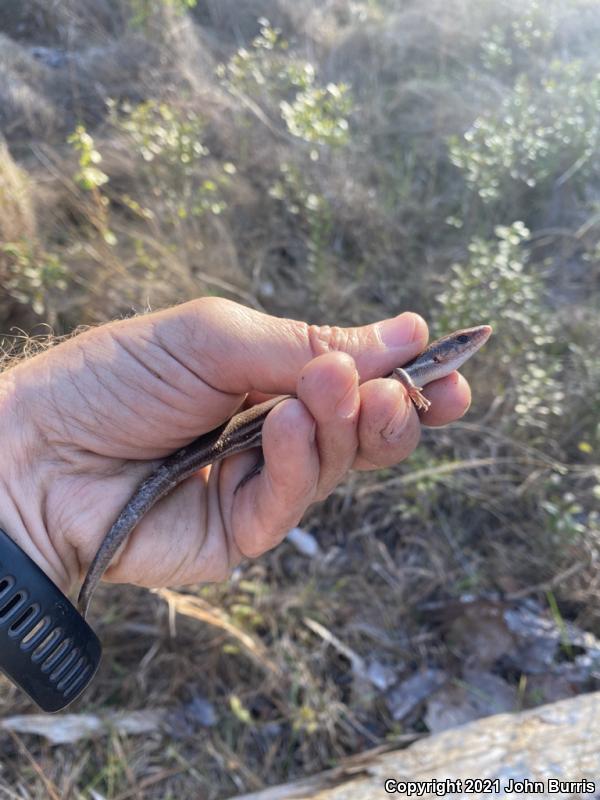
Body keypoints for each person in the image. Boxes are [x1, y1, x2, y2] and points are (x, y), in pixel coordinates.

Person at [0, 298, 472, 600]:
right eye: (465, 341)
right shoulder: (412, 374)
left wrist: (31, 494)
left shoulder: (416, 377)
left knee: (299, 432)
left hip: (245, 433)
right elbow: (402, 379)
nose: (473, 342)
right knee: (294, 427)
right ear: (444, 352)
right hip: (237, 432)